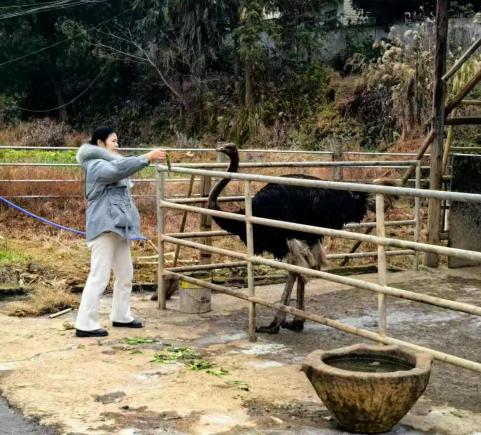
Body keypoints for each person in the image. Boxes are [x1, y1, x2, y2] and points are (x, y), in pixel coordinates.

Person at [75, 127, 166, 337]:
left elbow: (121, 169)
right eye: (113, 141)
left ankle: (121, 315)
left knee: (126, 273)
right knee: (99, 276)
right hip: (104, 227)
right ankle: (85, 324)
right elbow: (117, 171)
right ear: (100, 143)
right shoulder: (95, 164)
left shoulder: (111, 161)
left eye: (118, 141)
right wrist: (146, 158)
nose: (117, 144)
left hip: (119, 227)